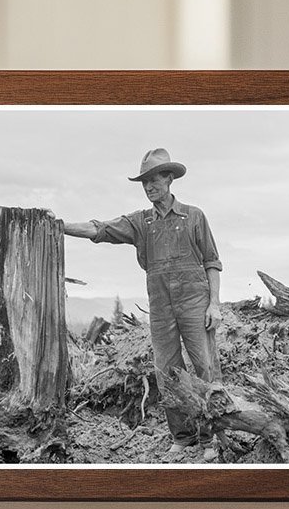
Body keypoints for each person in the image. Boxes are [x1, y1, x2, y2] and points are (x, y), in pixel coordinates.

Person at [61, 148, 223, 452]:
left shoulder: (195, 216)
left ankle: (211, 436)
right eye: (144, 182)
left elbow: (212, 262)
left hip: (195, 302)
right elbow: (100, 228)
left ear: (169, 178)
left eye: (154, 180)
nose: (149, 187)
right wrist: (61, 226)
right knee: (167, 371)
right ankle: (183, 437)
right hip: (161, 306)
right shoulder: (141, 223)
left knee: (205, 369)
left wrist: (214, 304)